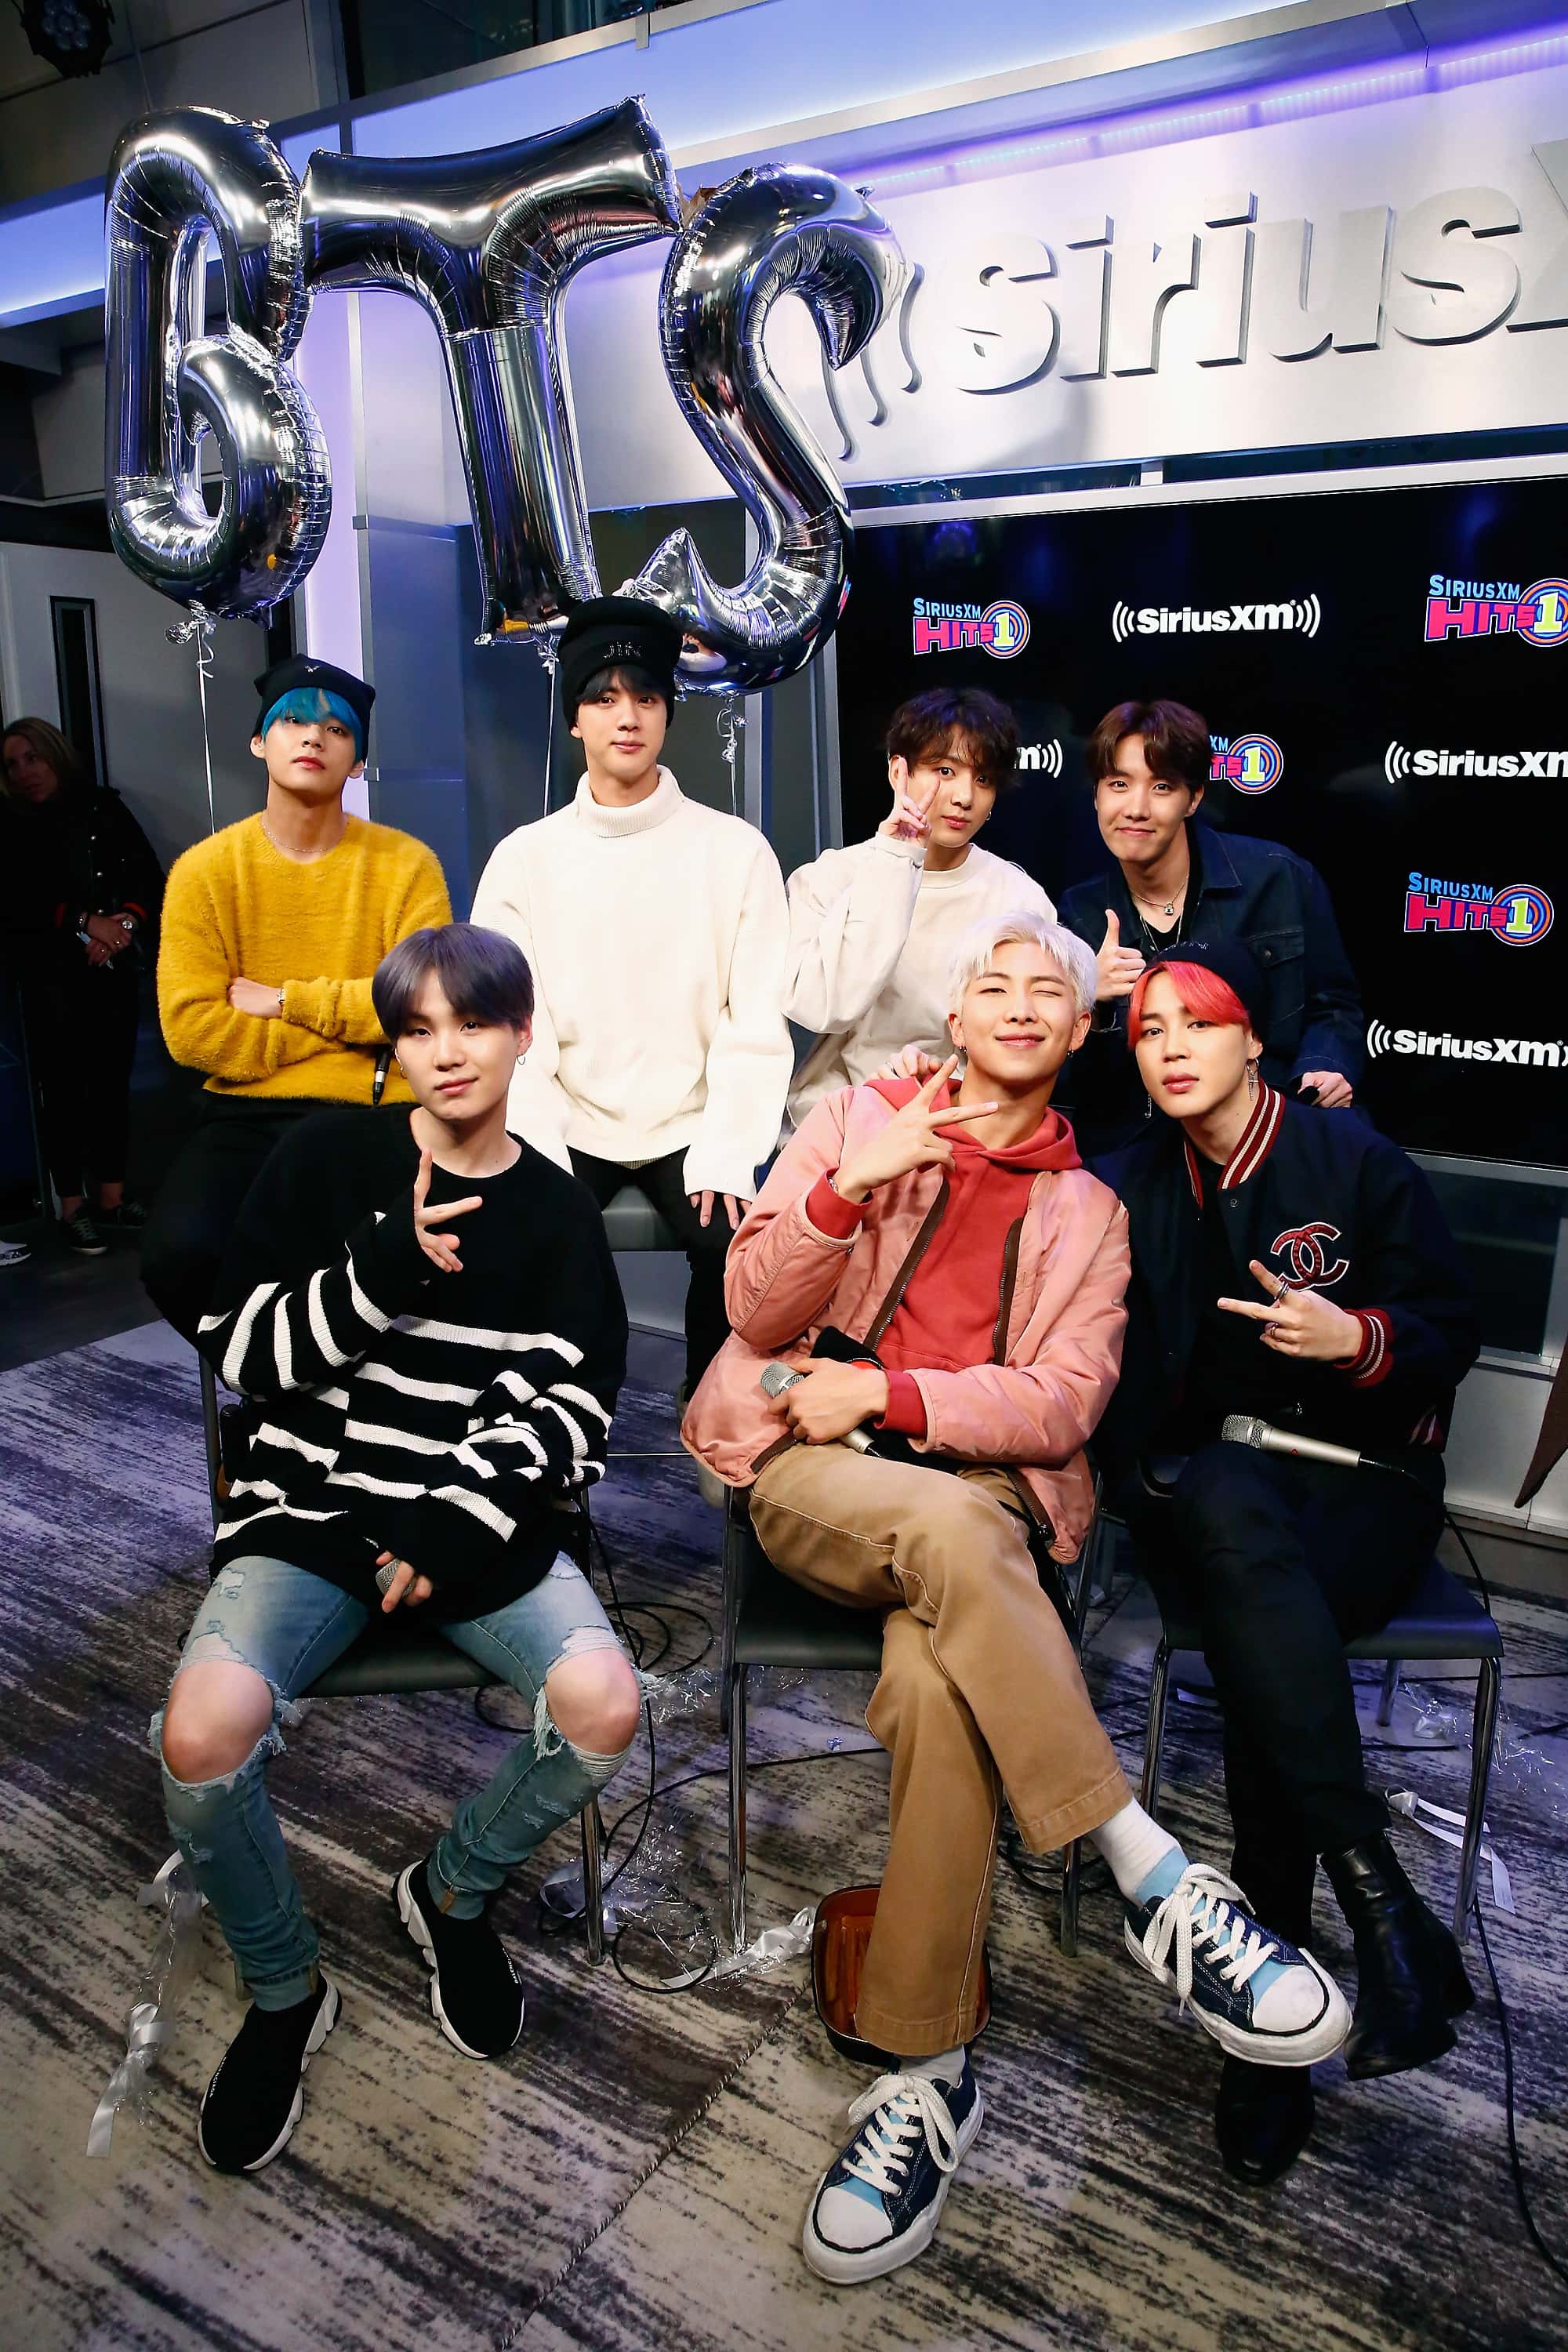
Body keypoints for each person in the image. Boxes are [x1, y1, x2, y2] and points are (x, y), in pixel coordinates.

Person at [684, 911, 1348, 2285]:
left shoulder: (1090, 1210)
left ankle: (927, 2077)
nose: (1022, 1000)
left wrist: (898, 1394)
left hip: (977, 1503)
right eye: (994, 982)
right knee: (948, 1536)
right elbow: (752, 1312)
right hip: (815, 1468)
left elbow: (1061, 1407)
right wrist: (846, 1188)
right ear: (958, 1014)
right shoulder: (854, 1116)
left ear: (1080, 1029)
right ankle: (1148, 1871)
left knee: (943, 1682)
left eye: (1052, 987)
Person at [157, 922, 637, 2175]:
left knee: (603, 1709)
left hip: (466, 1521)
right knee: (199, 1742)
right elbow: (245, 1357)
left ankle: (451, 1891)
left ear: (522, 1034)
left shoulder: (557, 1211)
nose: (447, 1052)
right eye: (418, 1030)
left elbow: (574, 1407)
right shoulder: (326, 1158)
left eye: (473, 1023)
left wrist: (456, 1512)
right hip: (311, 1510)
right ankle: (284, 1990)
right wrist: (379, 1268)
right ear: (396, 1048)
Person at [1091, 938, 1480, 2188]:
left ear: (1255, 1038)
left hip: (1363, 1489)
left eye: (1199, 1023)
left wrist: (1354, 1337)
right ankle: (1382, 1915)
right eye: (1150, 1030)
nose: (1172, 1048)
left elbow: (1452, 1331)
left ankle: (1273, 2032)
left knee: (1265, 1634)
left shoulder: (1352, 1160)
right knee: (1226, 1511)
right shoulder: (1128, 1184)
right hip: (1213, 1501)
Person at [471, 595, 791, 1405]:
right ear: (575, 718)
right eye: (604, 698)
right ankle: (557, 1424)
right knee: (520, 1243)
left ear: (667, 713)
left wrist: (728, 1146)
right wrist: (536, 1148)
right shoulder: (524, 859)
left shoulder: (735, 851)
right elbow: (510, 1032)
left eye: (646, 697)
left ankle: (713, 1418)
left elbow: (755, 1024)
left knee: (737, 1251)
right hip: (567, 1118)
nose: (627, 717)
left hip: (693, 1123)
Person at [143, 655, 452, 1343]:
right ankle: (282, 1383)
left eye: (337, 729)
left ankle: (331, 1386)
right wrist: (352, 1025)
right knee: (178, 1255)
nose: (314, 737)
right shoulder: (204, 872)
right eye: (293, 721)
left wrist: (286, 1001)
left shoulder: (407, 866)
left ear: (358, 760)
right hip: (246, 1113)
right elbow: (192, 1031)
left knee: (396, 1261)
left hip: (376, 1109)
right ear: (260, 741)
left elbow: (421, 1010)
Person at [1057, 699, 1363, 1152]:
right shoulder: (1078, 912)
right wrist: (1092, 1000)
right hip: (1139, 1152)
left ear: (1194, 798)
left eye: (1162, 787)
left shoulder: (1278, 877)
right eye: (1119, 784)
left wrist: (1325, 1065)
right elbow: (1070, 1077)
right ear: (1097, 796)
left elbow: (1334, 1006)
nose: (1136, 808)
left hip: (1272, 1129)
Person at [784, 687, 1052, 1125]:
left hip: (971, 1120)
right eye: (945, 771)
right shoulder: (829, 878)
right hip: (843, 1116)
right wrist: (896, 860)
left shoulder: (1018, 899)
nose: (964, 797)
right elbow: (822, 1009)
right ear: (899, 773)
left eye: (983, 779)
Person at [1, 717, 165, 1254]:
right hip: (49, 975)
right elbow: (18, 902)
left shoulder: (100, 807)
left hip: (109, 967)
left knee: (111, 1084)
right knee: (62, 1090)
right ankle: (73, 1207)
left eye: (33, 758)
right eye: (13, 764)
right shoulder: (13, 823)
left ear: (54, 755)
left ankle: (112, 1199)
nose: (25, 772)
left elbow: (147, 876)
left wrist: (122, 926)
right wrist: (83, 922)